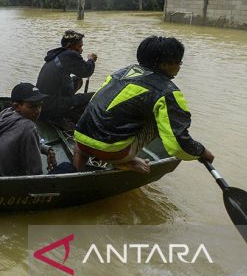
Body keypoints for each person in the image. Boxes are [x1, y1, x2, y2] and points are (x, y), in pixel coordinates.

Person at [73, 36, 215, 174]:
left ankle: (77, 170)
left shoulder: (121, 72)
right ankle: (124, 161)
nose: (179, 67)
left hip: (79, 138)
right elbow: (177, 146)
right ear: (165, 64)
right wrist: (201, 151)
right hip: (113, 151)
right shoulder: (167, 91)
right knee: (163, 121)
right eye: (178, 63)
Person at [0, 83, 58, 176]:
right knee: (66, 167)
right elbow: (36, 172)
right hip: (9, 185)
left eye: (40, 105)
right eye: (33, 106)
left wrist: (47, 149)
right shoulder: (29, 127)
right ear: (17, 106)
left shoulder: (6, 114)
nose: (38, 111)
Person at [36, 30, 97, 129]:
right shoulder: (70, 55)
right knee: (95, 96)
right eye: (79, 46)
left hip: (44, 102)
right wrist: (91, 60)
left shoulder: (56, 55)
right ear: (69, 45)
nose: (81, 50)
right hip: (52, 106)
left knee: (77, 80)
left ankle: (65, 109)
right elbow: (86, 71)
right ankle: (59, 117)